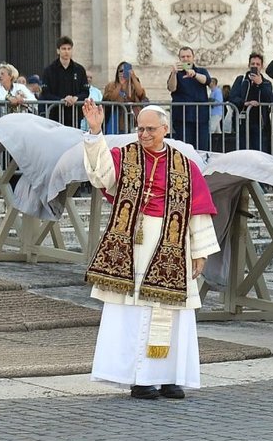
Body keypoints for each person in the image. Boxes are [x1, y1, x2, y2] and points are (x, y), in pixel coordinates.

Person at [79, 100, 220, 399]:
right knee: (133, 315)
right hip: (133, 247)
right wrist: (95, 132)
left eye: (150, 129)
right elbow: (100, 176)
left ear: (165, 129)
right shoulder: (125, 156)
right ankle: (140, 379)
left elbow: (197, 211)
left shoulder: (185, 165)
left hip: (173, 245)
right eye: (139, 128)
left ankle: (170, 377)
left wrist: (201, 251)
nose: (143, 134)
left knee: (174, 316)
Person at [167, 46, 213, 150]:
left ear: (193, 57)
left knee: (202, 149)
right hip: (182, 119)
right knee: (184, 150)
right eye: (183, 57)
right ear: (179, 58)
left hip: (201, 118)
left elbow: (207, 81)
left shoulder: (201, 71)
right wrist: (174, 73)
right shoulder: (176, 73)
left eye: (188, 56)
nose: (186, 59)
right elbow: (171, 88)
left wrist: (194, 74)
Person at [39, 36, 90, 127]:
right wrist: (61, 100)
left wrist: (76, 98)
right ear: (58, 51)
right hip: (55, 114)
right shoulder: (49, 70)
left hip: (74, 114)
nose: (66, 51)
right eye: (63, 49)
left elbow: (85, 91)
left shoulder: (80, 69)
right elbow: (46, 93)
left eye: (69, 49)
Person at [231, 53, 273, 154]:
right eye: (253, 64)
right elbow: (232, 97)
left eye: (258, 64)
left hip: (260, 123)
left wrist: (260, 84)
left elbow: (270, 99)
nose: (255, 66)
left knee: (259, 152)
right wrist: (245, 103)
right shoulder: (241, 80)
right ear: (249, 65)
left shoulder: (266, 83)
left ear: (262, 66)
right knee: (243, 152)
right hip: (242, 122)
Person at [102, 61, 148, 134]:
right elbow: (111, 98)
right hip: (115, 117)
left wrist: (133, 77)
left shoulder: (133, 84)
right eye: (120, 71)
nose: (122, 73)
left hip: (131, 118)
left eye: (125, 71)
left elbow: (140, 94)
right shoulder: (111, 85)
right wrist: (120, 85)